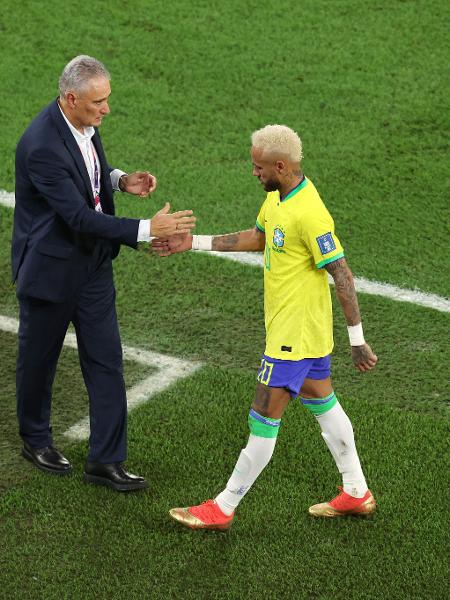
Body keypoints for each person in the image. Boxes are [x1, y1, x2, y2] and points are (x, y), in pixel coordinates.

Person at [154, 124, 378, 528]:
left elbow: (342, 273)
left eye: (258, 167)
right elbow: (259, 237)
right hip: (300, 332)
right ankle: (356, 491)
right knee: (324, 405)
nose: (253, 172)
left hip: (294, 337)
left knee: (263, 417)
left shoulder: (309, 213)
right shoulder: (278, 198)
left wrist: (357, 341)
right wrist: (195, 243)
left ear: (280, 165)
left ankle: (223, 507)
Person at [12, 55, 196, 492]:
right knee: (39, 362)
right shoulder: (40, 145)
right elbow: (78, 217)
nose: (106, 110)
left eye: (107, 100)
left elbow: (87, 171)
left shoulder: (83, 122)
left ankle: (106, 461)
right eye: (99, 102)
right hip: (51, 273)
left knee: (106, 361)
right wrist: (149, 229)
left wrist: (119, 180)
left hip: (92, 268)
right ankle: (34, 439)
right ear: (71, 98)